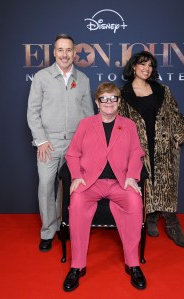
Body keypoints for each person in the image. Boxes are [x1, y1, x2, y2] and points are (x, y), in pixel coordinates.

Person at [63, 82, 146, 292]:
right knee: (77, 202)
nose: (108, 103)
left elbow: (136, 153)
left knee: (135, 202)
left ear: (118, 102)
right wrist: (76, 177)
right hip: (91, 182)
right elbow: (72, 154)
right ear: (97, 102)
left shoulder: (128, 125)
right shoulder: (86, 124)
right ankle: (77, 266)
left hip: (119, 182)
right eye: (104, 99)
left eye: (113, 99)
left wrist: (132, 177)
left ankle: (133, 264)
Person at [27, 33, 94, 252]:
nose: (65, 55)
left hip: (75, 146)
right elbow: (33, 111)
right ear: (54, 52)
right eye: (60, 50)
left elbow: (88, 116)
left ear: (75, 53)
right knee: (47, 187)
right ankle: (48, 231)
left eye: (68, 50)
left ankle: (64, 226)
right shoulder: (41, 77)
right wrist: (41, 140)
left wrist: (84, 145)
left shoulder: (82, 79)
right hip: (49, 143)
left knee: (70, 189)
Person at [118, 50, 184, 248]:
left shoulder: (163, 90)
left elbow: (175, 114)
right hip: (138, 148)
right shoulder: (123, 95)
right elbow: (119, 125)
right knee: (146, 183)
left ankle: (172, 224)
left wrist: (180, 136)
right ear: (133, 66)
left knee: (166, 185)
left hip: (164, 146)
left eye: (150, 65)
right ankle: (150, 217)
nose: (146, 68)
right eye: (142, 64)